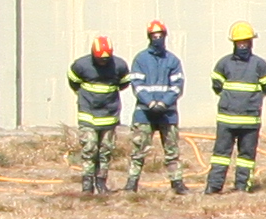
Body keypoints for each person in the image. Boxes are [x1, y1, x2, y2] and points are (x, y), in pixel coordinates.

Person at [206, 24, 266, 194]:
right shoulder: (227, 64)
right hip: (232, 121)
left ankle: (236, 187)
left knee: (244, 158)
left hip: (245, 122)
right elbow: (216, 85)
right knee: (223, 155)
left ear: (251, 42)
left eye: (245, 42)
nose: (242, 45)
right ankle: (216, 186)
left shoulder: (259, 66)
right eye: (239, 42)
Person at [126, 22, 188, 197]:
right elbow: (137, 85)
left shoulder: (173, 61)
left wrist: (163, 104)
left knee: (172, 152)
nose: (157, 39)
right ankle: (132, 183)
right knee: (138, 152)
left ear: (165, 36)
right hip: (144, 114)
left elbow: (177, 86)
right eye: (154, 36)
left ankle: (177, 183)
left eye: (160, 35)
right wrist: (150, 103)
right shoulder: (140, 59)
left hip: (168, 115)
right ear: (149, 37)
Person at [67, 37, 130, 197]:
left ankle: (101, 182)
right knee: (89, 149)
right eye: (100, 59)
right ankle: (87, 185)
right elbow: (73, 81)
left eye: (106, 59)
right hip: (88, 114)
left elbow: (124, 83)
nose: (103, 62)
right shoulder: (81, 66)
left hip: (109, 116)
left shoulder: (119, 66)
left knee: (105, 150)